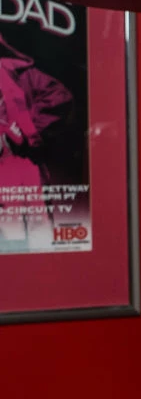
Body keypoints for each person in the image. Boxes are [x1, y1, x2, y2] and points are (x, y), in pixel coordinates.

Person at [0, 32, 73, 249]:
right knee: (8, 235)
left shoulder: (22, 74)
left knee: (39, 228)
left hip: (24, 159)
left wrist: (25, 130)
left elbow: (59, 97)